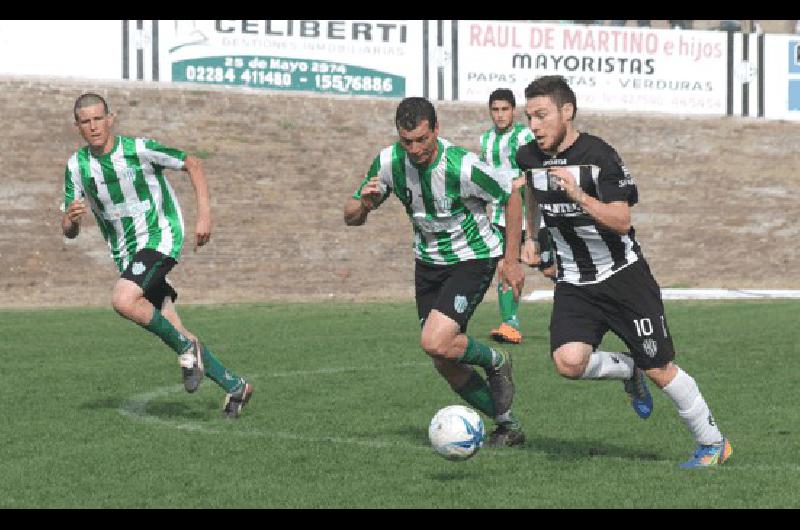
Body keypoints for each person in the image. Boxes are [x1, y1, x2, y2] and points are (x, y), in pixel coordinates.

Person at [506, 76, 732, 468]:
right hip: (575, 281)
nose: (534, 126)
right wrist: (530, 236)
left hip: (624, 277)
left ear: (567, 112)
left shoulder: (600, 157)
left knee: (660, 368)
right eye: (529, 117)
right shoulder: (528, 157)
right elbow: (527, 191)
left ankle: (714, 443)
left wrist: (578, 194)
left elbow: (622, 221)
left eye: (541, 116)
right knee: (568, 362)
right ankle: (627, 370)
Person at [344, 97, 526, 447]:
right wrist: (364, 205)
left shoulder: (462, 166)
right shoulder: (388, 163)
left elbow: (511, 194)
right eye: (407, 141)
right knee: (442, 358)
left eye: (422, 140)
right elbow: (350, 215)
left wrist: (512, 259)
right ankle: (507, 424)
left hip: (472, 257)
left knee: (434, 341)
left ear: (436, 130)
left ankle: (496, 360)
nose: (415, 150)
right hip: (428, 263)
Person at [61, 93, 253, 418]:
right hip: (127, 254)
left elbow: (193, 162)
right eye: (85, 121)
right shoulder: (77, 167)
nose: (93, 127)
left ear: (111, 118)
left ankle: (187, 351)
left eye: (98, 118)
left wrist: (204, 215)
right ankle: (235, 386)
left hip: (160, 237)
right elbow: (68, 229)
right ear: (77, 126)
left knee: (123, 299)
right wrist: (72, 218)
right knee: (174, 327)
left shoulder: (138, 149)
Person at [479, 88, 554, 344]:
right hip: (502, 217)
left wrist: (517, 184)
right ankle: (510, 323)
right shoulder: (485, 140)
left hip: (532, 216)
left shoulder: (524, 136)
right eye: (495, 110)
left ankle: (582, 310)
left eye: (505, 109)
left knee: (550, 269)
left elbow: (534, 171)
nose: (500, 115)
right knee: (505, 265)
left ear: (513, 110)